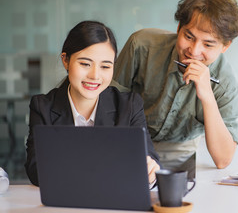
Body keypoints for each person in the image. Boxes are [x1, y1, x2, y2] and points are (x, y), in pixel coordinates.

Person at [112, 0, 238, 175]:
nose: (194, 51)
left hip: (182, 151)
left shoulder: (226, 82)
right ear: (178, 28)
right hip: (131, 143)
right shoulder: (142, 45)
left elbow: (223, 159)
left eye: (208, 44)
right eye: (188, 37)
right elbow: (109, 105)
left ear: (225, 46)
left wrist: (207, 96)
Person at [25, 21, 160, 186]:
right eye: (85, 64)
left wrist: (151, 173)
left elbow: (149, 162)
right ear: (66, 60)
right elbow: (36, 170)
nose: (95, 76)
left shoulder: (129, 106)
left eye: (105, 66)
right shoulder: (43, 107)